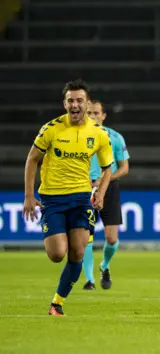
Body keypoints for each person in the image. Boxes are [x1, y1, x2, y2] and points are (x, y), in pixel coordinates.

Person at [23, 79, 114, 316]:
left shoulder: (98, 134)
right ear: (64, 103)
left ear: (87, 103)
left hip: (81, 199)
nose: (75, 104)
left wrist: (101, 194)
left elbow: (108, 168)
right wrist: (28, 196)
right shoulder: (51, 129)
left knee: (78, 253)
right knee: (57, 254)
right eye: (71, 100)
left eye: (80, 100)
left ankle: (57, 303)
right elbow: (32, 159)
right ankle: (60, 290)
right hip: (52, 199)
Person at [82, 99, 130, 291]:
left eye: (96, 113)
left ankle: (104, 266)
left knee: (111, 238)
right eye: (89, 113)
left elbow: (124, 168)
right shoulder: (77, 137)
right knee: (86, 236)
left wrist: (105, 180)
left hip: (108, 187)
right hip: (83, 188)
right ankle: (89, 280)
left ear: (103, 116)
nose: (92, 116)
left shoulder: (115, 138)